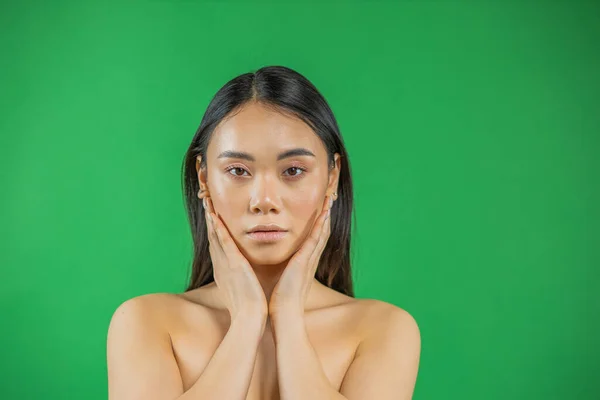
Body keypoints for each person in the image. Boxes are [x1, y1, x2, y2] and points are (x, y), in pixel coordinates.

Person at [106, 65, 421, 400]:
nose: (264, 201)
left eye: (294, 170)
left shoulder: (383, 330)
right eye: (238, 170)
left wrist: (287, 317)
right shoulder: (146, 324)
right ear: (204, 179)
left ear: (332, 177)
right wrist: (246, 320)